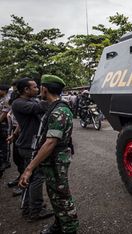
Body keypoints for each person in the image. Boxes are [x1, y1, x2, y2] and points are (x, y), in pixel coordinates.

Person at [19, 74, 79, 234]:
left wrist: (29, 168)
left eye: (40, 87)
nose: (39, 89)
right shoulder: (54, 107)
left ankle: (70, 228)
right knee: (55, 196)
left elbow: (50, 142)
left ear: (45, 89)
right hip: (53, 159)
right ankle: (59, 225)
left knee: (62, 197)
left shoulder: (58, 111)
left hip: (56, 160)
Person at [10, 77, 53, 221]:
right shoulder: (19, 103)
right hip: (29, 146)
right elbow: (41, 107)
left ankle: (29, 207)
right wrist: (47, 93)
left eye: (39, 87)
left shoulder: (30, 101)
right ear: (26, 90)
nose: (38, 88)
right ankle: (35, 210)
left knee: (30, 178)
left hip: (31, 144)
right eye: (35, 87)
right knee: (36, 178)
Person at [0, 84, 11, 177]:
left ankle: (6, 161)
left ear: (4, 91)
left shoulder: (7, 99)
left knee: (4, 143)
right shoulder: (2, 98)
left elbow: (4, 113)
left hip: (4, 124)